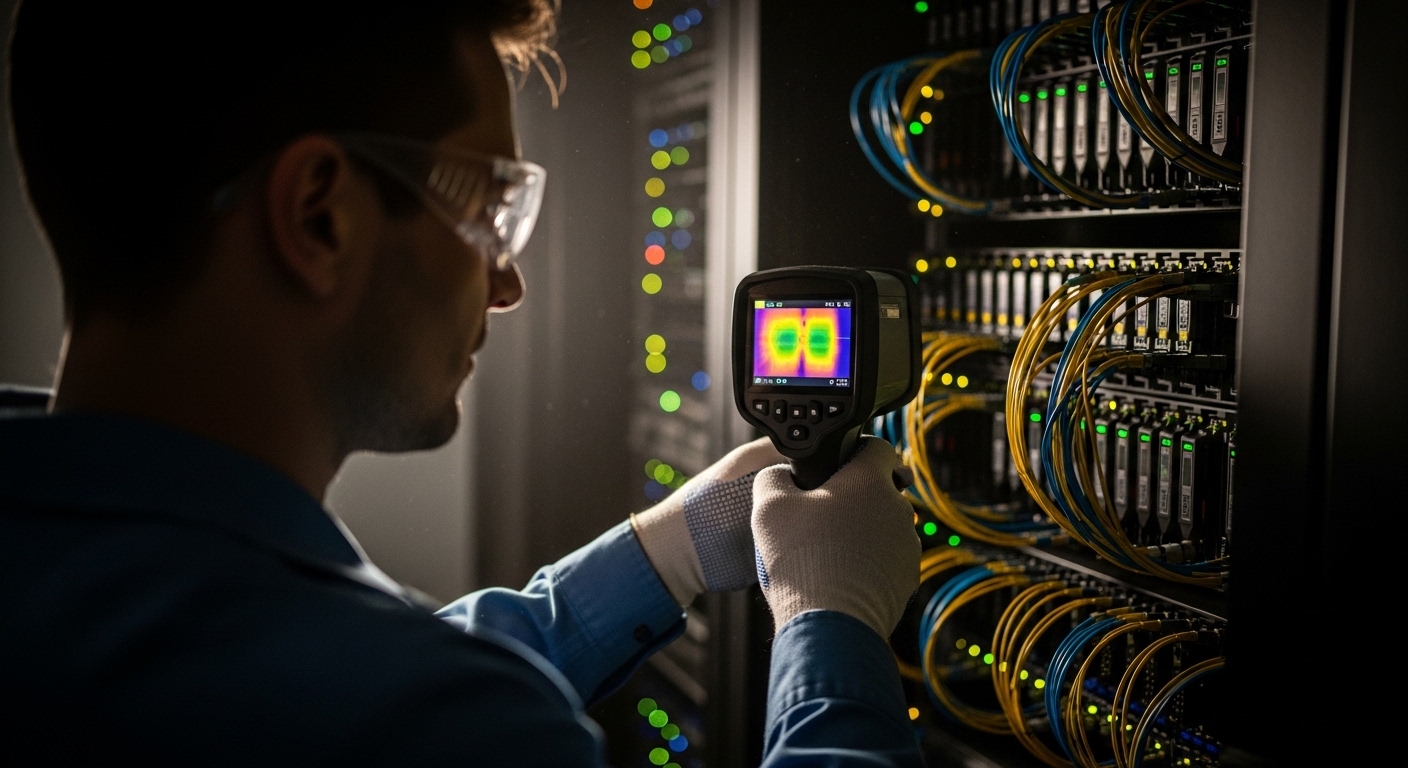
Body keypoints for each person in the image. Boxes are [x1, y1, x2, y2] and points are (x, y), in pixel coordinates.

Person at [0, 1, 922, 764]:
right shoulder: (452, 730)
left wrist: (669, 551)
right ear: (321, 218)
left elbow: (333, 677)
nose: (509, 284)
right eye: (488, 210)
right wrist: (831, 624)